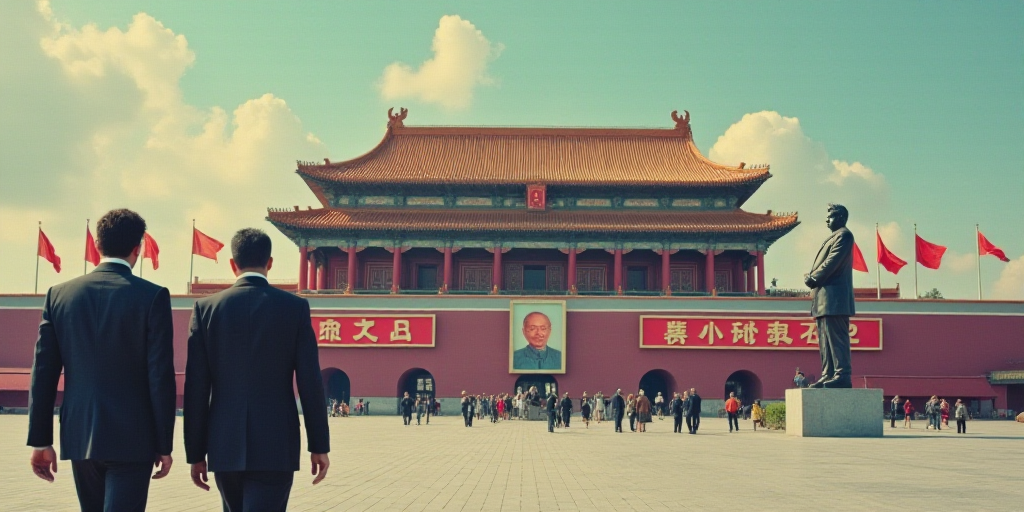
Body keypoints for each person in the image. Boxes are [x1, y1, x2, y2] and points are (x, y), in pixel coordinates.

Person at [27, 209, 176, 512]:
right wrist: (164, 445)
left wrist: (41, 441)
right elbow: (160, 375)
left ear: (97, 245)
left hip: (80, 434)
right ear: (138, 248)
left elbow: (43, 372)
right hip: (133, 437)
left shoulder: (59, 295)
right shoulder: (152, 296)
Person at [184, 228, 330, 511]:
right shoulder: (294, 308)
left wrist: (196, 453)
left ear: (232, 264)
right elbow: (310, 382)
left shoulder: (206, 309)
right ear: (270, 263)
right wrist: (319, 445)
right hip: (276, 443)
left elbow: (196, 388)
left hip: (224, 442)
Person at [805, 204, 856, 389]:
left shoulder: (844, 236)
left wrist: (814, 277)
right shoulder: (833, 237)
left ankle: (842, 374)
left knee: (837, 339)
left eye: (831, 216)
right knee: (825, 340)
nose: (827, 219)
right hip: (824, 298)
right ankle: (828, 373)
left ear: (841, 217)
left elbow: (832, 261)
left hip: (835, 297)